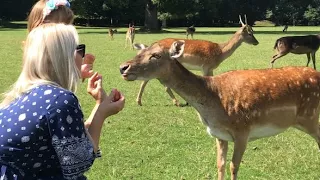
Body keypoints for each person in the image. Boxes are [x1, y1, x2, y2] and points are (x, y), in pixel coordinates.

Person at [0, 23, 125, 179]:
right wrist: (101, 114)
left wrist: (100, 106)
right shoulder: (60, 100)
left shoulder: (15, 99)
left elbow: (69, 138)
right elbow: (80, 162)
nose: (83, 57)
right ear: (64, 56)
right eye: (79, 49)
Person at [27, 0, 94, 82]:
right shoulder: (41, 52)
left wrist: (78, 70)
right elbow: (52, 78)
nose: (67, 31)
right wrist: (76, 72)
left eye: (69, 25)